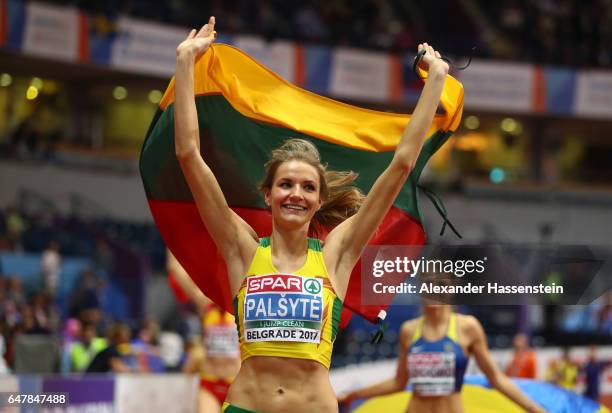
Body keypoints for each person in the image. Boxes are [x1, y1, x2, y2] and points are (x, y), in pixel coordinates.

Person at [176, 14, 455, 413]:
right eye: (286, 184)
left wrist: (437, 82)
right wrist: (186, 62)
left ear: (320, 200)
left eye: (308, 187)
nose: (296, 193)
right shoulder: (241, 248)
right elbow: (189, 156)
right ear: (268, 195)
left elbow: (401, 165)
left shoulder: (337, 254)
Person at [339, 305, 546, 413]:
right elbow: (399, 382)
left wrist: (535, 409)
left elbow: (497, 379)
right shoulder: (409, 330)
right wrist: (355, 394)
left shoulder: (467, 327)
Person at [168, 251, 241, 412]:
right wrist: (173, 229)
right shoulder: (205, 305)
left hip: (235, 384)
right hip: (209, 381)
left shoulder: (242, 304)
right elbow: (175, 269)